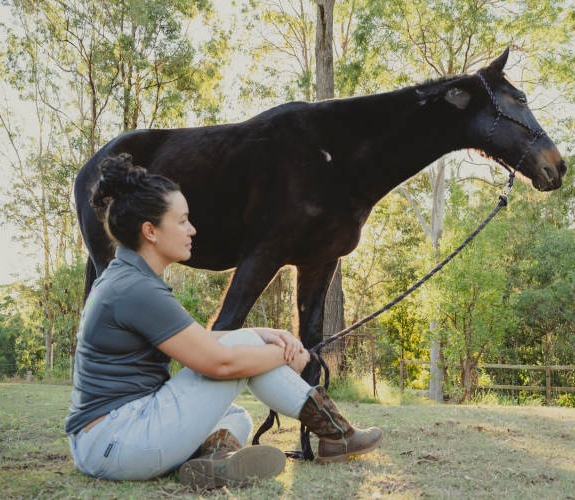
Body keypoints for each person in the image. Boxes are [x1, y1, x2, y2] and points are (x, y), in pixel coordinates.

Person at [65, 153, 383, 490]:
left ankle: (213, 463)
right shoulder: (136, 289)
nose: (192, 230)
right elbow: (220, 362)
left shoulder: (126, 278)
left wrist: (260, 333)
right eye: (182, 221)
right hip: (117, 442)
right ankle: (336, 433)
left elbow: (198, 342)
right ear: (150, 231)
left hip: (107, 441)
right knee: (239, 350)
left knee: (234, 418)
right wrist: (288, 353)